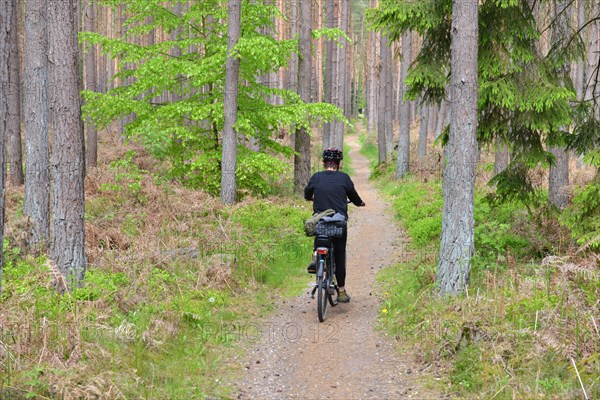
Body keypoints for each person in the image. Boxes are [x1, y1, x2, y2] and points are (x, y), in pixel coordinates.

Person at [304, 147, 365, 303]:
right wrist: (359, 203)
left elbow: (307, 194)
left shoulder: (316, 177)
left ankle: (316, 256)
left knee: (319, 233)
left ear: (324, 163)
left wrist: (312, 197)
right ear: (338, 164)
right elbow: (353, 195)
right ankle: (342, 291)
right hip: (338, 223)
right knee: (339, 254)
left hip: (321, 221)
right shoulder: (344, 178)